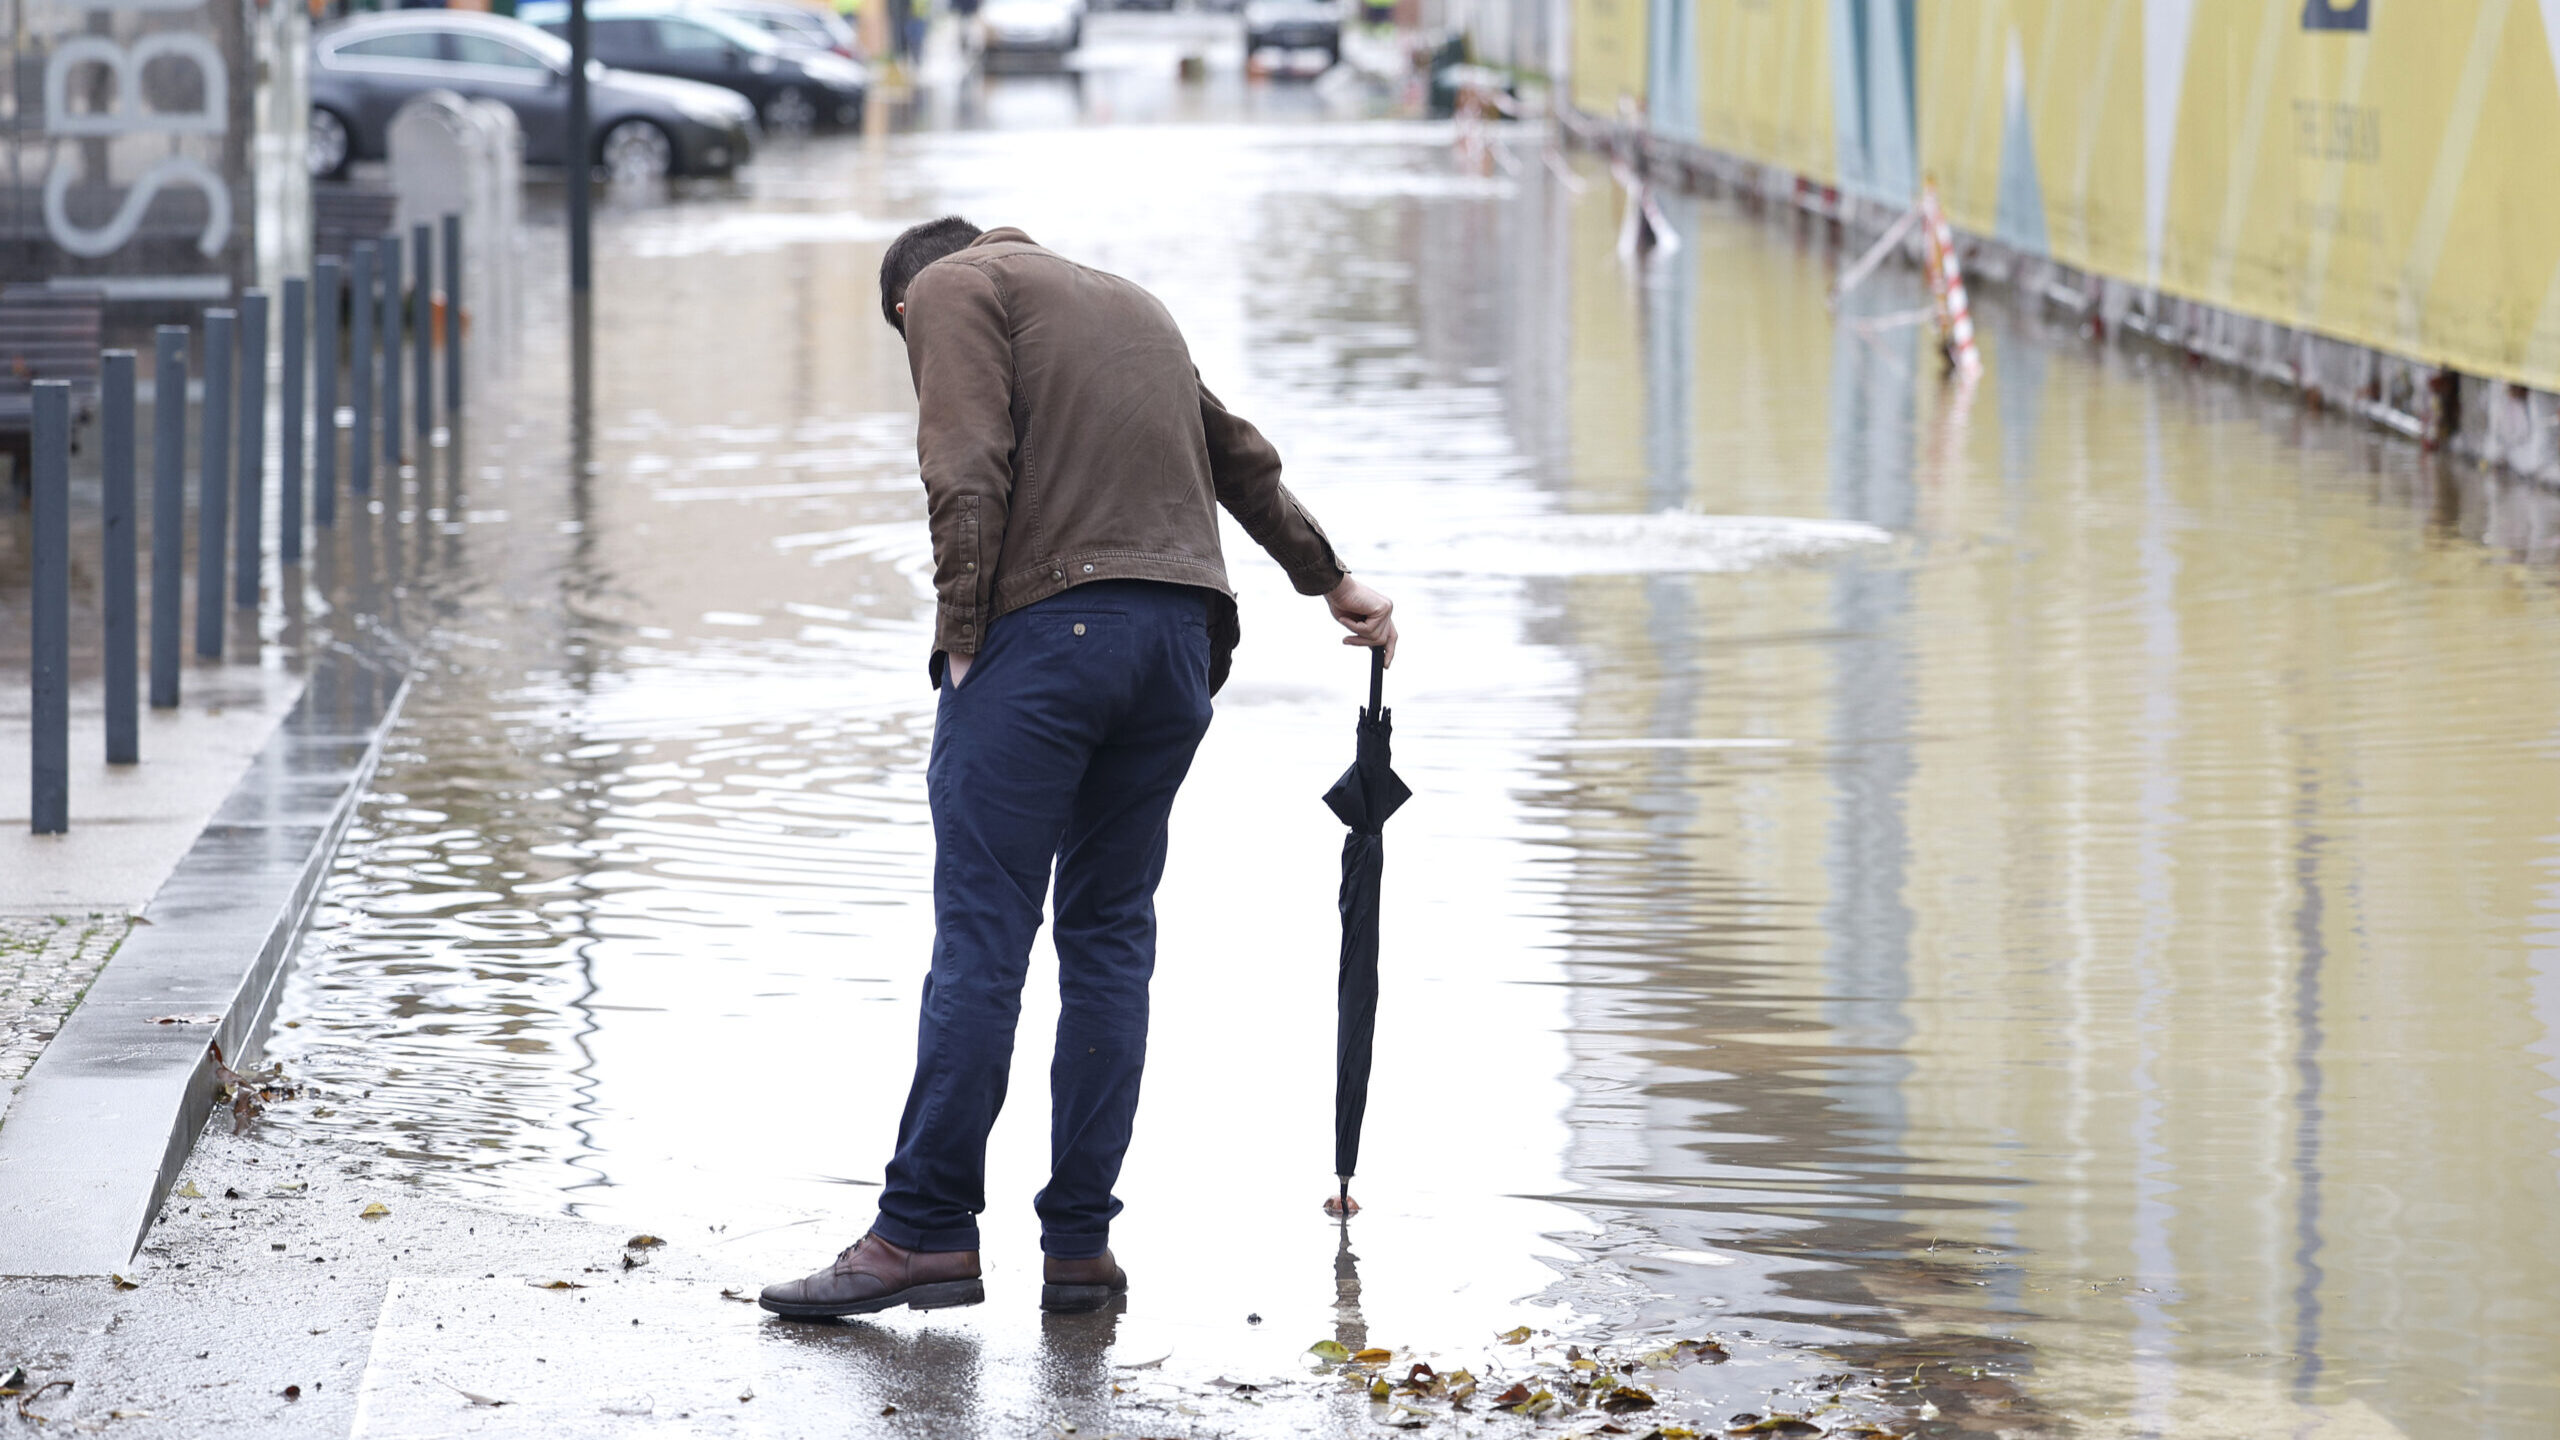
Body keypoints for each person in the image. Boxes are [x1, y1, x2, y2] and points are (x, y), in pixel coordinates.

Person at [759, 219, 1398, 1319]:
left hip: (1050, 640)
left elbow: (963, 461)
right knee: (1108, 936)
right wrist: (1332, 580)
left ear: (907, 309)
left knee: (984, 933)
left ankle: (922, 1234)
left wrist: (962, 632)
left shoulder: (951, 289)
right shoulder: (1129, 301)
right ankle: (1078, 1248)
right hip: (1178, 648)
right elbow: (1236, 456)